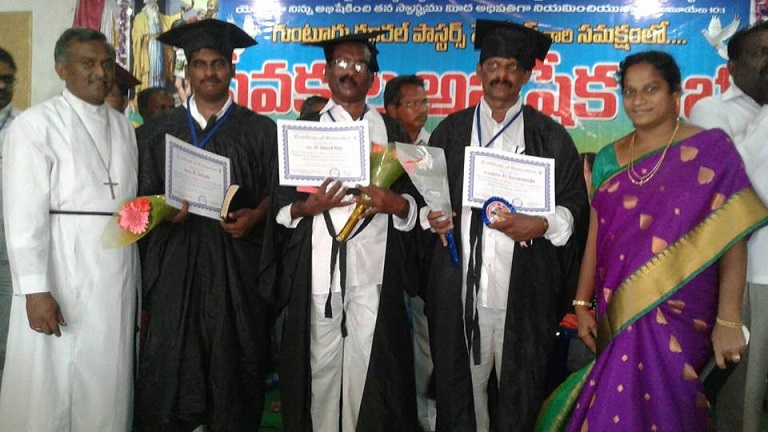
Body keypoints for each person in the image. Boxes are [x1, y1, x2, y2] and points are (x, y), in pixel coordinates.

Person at [538, 50, 768, 431]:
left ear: (676, 94)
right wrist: (581, 303)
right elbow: (595, 233)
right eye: (629, 91)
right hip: (619, 304)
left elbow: (732, 237)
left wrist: (728, 319)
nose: (638, 100)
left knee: (670, 403)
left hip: (682, 308)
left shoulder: (712, 150)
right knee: (616, 402)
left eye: (650, 89)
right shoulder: (609, 159)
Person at [424, 19, 589, 431]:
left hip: (524, 294)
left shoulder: (550, 137)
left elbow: (574, 206)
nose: (502, 74)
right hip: (461, 289)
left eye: (513, 66)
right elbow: (427, 199)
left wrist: (542, 223)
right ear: (480, 71)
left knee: (520, 394)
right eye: (494, 65)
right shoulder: (451, 132)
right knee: (461, 394)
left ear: (527, 75)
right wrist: (432, 216)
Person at [264, 30, 421, 431]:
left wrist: (397, 204)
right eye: (341, 63)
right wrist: (308, 207)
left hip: (375, 274)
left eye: (359, 64)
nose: (350, 72)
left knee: (370, 373)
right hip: (319, 274)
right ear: (327, 72)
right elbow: (280, 207)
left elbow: (417, 205)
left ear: (372, 76)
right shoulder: (304, 131)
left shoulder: (394, 134)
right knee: (320, 370)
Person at [134, 19, 276, 431]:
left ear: (231, 69)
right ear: (188, 70)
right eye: (199, 63)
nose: (209, 72)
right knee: (172, 367)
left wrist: (258, 215)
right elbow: (140, 200)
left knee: (234, 367)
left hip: (236, 267)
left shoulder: (260, 131)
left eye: (217, 63)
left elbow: (278, 194)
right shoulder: (157, 132)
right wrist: (163, 209)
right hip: (176, 268)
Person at [0, 27, 139, 431]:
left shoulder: (124, 128)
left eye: (106, 64)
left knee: (108, 373)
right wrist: (35, 289)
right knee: (51, 380)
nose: (101, 73)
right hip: (60, 267)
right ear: (62, 68)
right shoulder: (34, 126)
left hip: (115, 271)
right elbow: (23, 215)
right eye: (88, 63)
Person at [690, 21, 768, 432]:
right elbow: (732, 184)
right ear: (732, 67)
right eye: (761, 53)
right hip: (752, 271)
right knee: (743, 397)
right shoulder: (710, 110)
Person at [383, 73, 436, 431]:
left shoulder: (437, 149)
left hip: (424, 263)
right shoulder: (379, 149)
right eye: (412, 104)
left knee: (426, 343)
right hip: (382, 261)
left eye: (424, 102)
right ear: (391, 109)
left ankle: (425, 418)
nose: (421, 110)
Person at [0, 46, 21, 379]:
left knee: (7, 337)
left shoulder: (25, 126)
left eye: (8, 79)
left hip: (8, 245)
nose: (2, 86)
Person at [384, 74, 431, 144]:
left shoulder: (433, 143)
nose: (422, 109)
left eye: (424, 103)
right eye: (413, 104)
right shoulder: (379, 141)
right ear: (392, 110)